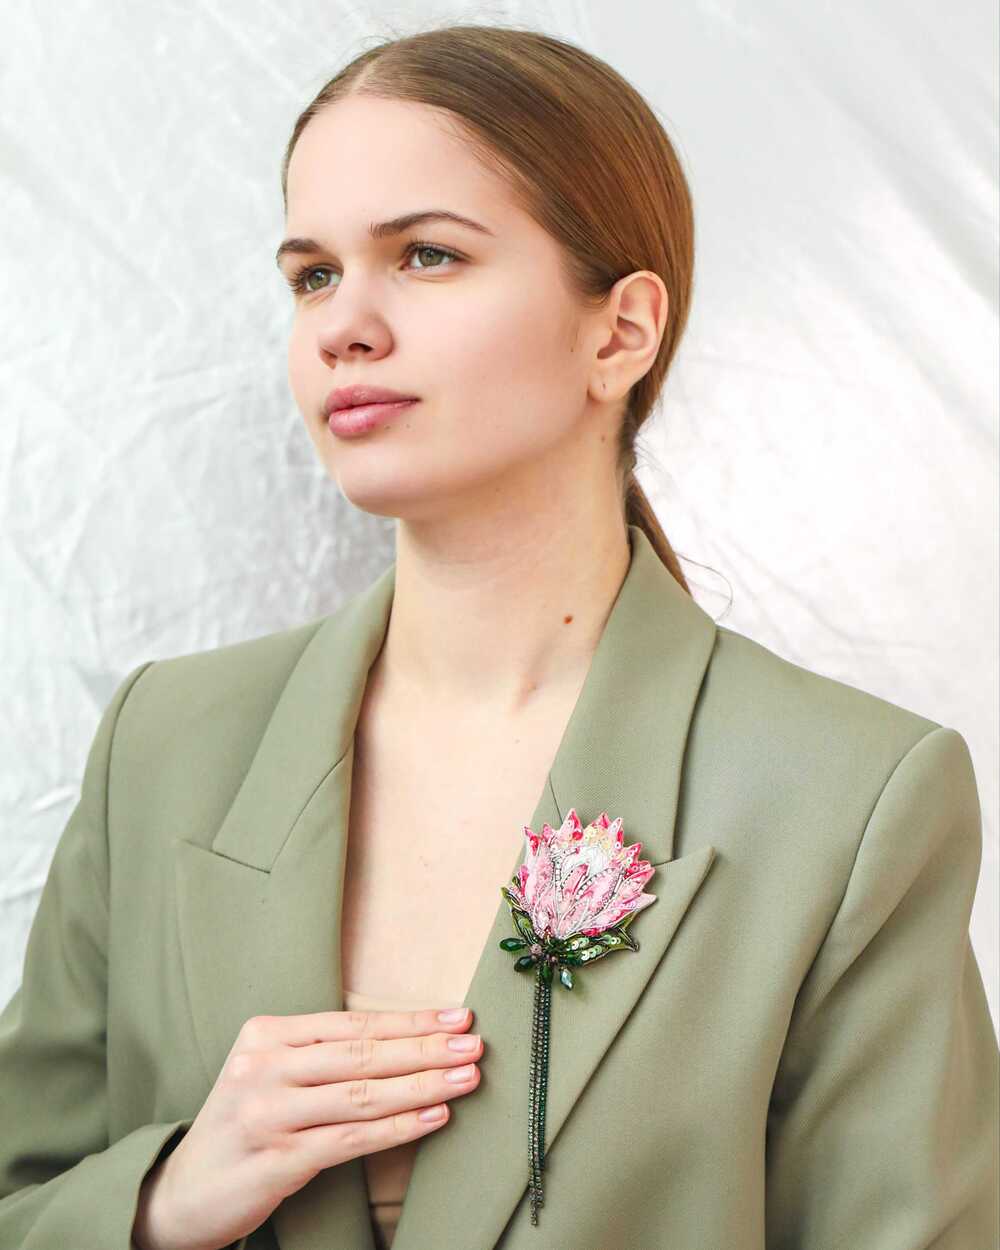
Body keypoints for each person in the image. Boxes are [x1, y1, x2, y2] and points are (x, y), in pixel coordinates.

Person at [1, 23, 997, 1250]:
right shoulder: (165, 740)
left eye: (425, 254)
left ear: (620, 332)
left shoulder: (849, 797)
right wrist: (157, 1201)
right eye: (311, 274)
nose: (343, 324)